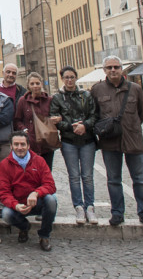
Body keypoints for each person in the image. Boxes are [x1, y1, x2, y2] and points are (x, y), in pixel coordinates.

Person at [90, 55, 143, 228]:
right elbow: (94, 114)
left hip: (133, 140)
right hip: (110, 141)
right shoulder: (97, 90)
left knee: (140, 179)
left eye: (116, 67)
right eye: (109, 68)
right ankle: (117, 212)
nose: (113, 70)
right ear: (104, 71)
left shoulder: (135, 89)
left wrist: (129, 126)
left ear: (121, 69)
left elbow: (142, 113)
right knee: (113, 179)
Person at [49, 65, 98, 225]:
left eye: (72, 77)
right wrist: (71, 127)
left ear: (76, 78)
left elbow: (94, 115)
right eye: (66, 77)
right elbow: (55, 120)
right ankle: (78, 207)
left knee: (88, 176)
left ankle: (90, 207)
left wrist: (85, 126)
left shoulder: (86, 95)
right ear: (62, 79)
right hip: (69, 141)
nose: (69, 80)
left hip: (87, 140)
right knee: (74, 176)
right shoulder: (57, 98)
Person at [0, 131, 57, 252]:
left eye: (23, 144)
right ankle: (24, 227)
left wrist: (36, 193)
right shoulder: (5, 165)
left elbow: (50, 185)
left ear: (28, 146)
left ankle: (44, 235)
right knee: (6, 214)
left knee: (52, 200)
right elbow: (3, 192)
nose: (20, 148)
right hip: (18, 204)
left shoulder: (39, 161)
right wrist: (16, 205)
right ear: (11, 146)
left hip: (37, 202)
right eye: (16, 144)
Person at [14, 72, 58, 169]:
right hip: (31, 143)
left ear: (41, 84)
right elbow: (17, 120)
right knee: (31, 173)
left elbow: (55, 115)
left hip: (46, 143)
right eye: (32, 84)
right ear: (28, 85)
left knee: (46, 172)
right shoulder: (23, 100)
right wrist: (24, 130)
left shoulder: (49, 100)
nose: (35, 86)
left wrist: (56, 119)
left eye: (37, 83)